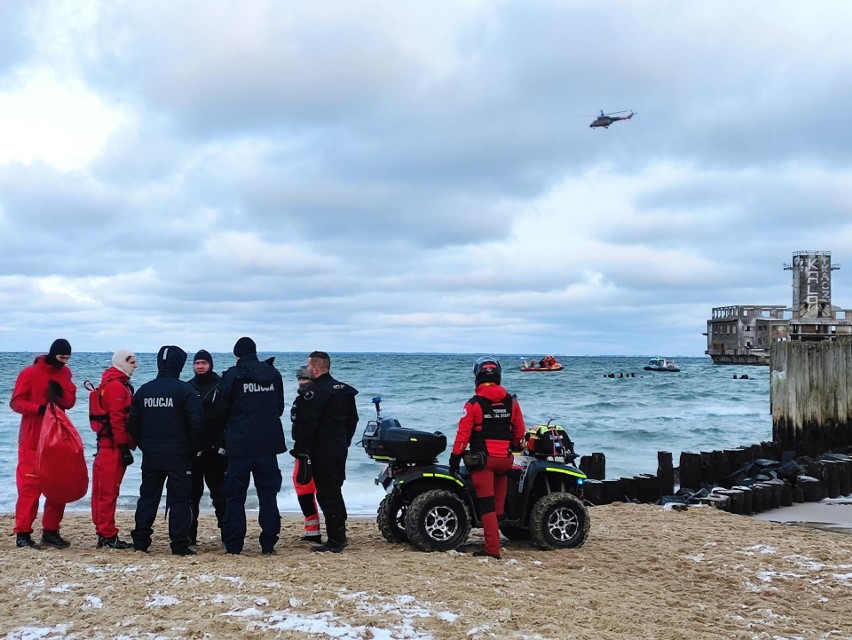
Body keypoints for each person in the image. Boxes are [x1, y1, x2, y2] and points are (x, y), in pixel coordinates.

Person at [128, 345, 203, 556]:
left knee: (148, 497)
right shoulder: (185, 390)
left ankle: (141, 541)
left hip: (152, 454)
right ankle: (179, 544)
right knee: (179, 500)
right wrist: (193, 449)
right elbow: (197, 423)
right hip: (179, 455)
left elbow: (133, 423)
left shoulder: (145, 390)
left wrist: (145, 445)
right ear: (179, 365)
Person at [214, 337, 286, 555]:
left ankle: (235, 544)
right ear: (255, 352)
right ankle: (268, 542)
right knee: (268, 495)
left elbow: (220, 409)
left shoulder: (233, 375)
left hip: (239, 446)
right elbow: (279, 407)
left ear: (237, 355)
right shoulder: (273, 374)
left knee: (235, 497)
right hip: (268, 446)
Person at [449, 356, 525, 560]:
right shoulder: (512, 402)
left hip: (484, 462)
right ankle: (500, 530)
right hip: (506, 461)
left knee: (487, 506)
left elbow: (462, 435)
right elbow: (519, 433)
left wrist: (454, 458)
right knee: (498, 507)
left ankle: (492, 549)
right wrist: (515, 446)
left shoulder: (474, 404)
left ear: (477, 377)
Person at [9, 339, 78, 549]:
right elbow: (16, 402)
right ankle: (22, 534)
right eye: (62, 358)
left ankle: (50, 531)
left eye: (68, 358)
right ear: (53, 354)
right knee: (29, 488)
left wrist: (62, 394)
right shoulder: (29, 373)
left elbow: (70, 403)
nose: (65, 362)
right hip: (31, 440)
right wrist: (39, 408)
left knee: (58, 486)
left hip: (57, 440)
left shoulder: (65, 373)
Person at [291, 351, 359, 553]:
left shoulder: (314, 392)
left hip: (322, 449)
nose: (307, 370)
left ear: (316, 368)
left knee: (327, 494)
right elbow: (352, 420)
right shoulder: (344, 390)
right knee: (335, 491)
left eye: (308, 366)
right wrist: (344, 440)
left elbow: (307, 424)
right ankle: (339, 533)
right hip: (339, 447)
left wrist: (301, 449)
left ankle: (336, 540)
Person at [89, 349, 138, 549]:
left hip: (105, 446)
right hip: (112, 448)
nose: (135, 366)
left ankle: (103, 531)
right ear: (123, 362)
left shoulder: (110, 384)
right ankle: (108, 534)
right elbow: (117, 420)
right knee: (108, 492)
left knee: (101, 491)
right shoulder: (117, 388)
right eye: (132, 362)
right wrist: (124, 447)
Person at [187, 349, 227, 546]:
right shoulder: (187, 387)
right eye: (197, 363)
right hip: (194, 451)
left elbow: (228, 417)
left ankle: (227, 535)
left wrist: (222, 443)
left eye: (203, 363)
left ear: (210, 364)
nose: (200, 366)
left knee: (220, 495)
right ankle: (189, 536)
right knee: (191, 495)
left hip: (216, 451)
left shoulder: (221, 386)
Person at [290, 366, 321, 543]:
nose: (302, 382)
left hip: (316, 451)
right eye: (300, 379)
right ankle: (312, 532)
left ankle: (333, 532)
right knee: (303, 489)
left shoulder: (318, 399)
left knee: (323, 492)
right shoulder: (298, 400)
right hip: (301, 451)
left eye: (305, 379)